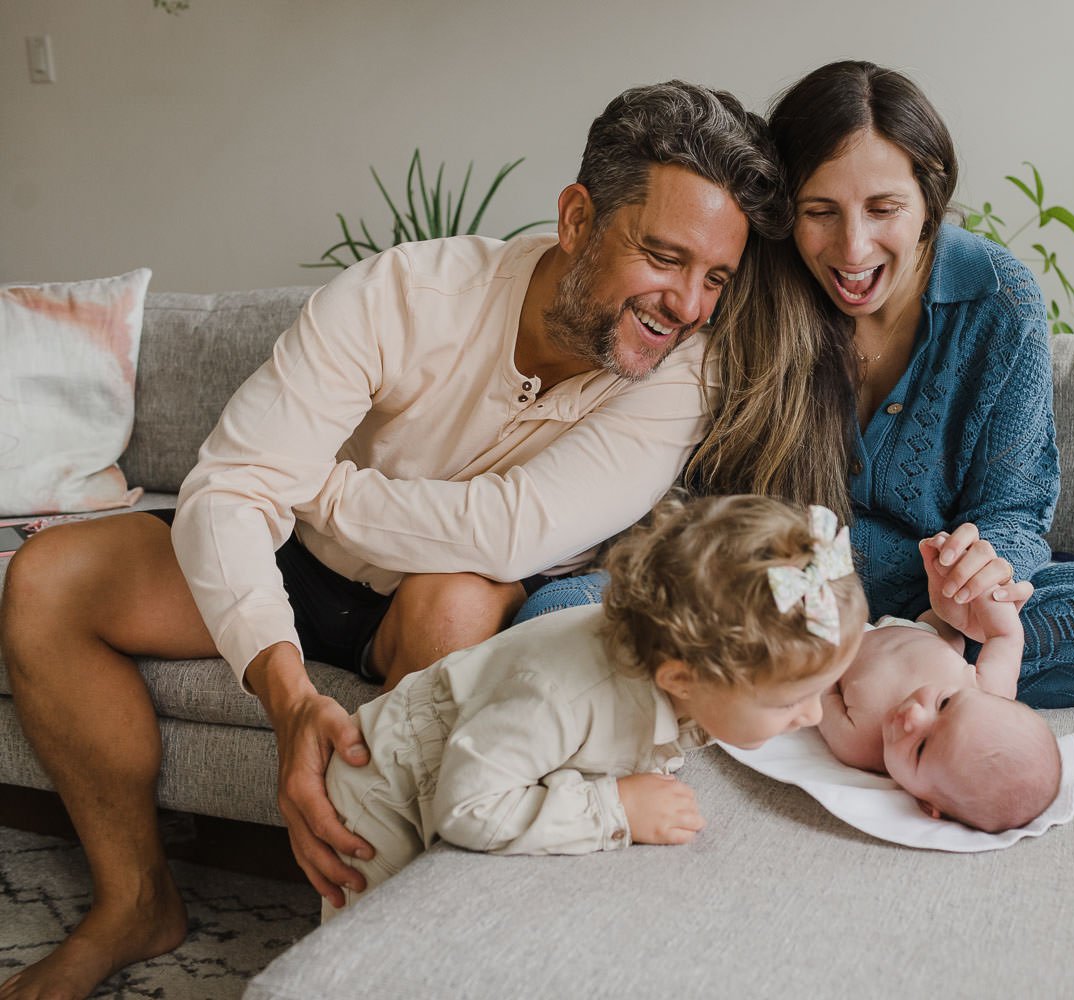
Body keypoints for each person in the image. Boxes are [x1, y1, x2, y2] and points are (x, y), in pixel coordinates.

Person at [0, 81, 784, 1000]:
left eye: (715, 277)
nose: (689, 303)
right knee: (50, 577)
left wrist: (314, 483)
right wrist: (287, 695)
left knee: (454, 597)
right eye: (663, 256)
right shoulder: (408, 292)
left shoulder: (686, 370)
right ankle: (135, 901)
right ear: (577, 218)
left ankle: (397, 956)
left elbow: (510, 529)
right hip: (302, 561)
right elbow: (236, 489)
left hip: (448, 591)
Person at [691, 59, 1074, 708]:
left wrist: (981, 569)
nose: (853, 247)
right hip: (780, 595)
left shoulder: (999, 300)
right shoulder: (757, 288)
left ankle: (841, 685)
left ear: (930, 201)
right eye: (821, 212)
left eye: (883, 209)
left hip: (933, 612)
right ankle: (875, 687)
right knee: (579, 604)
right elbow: (703, 487)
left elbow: (1012, 509)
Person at [323, 495, 865, 916]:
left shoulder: (672, 674)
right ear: (682, 676)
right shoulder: (560, 694)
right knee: (388, 947)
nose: (813, 716)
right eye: (792, 700)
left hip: (488, 751)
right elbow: (466, 809)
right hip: (385, 793)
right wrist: (616, 810)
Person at [819, 531, 1060, 833]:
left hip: (849, 639)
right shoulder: (989, 693)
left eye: (920, 750)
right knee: (947, 627)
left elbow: (819, 684)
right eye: (945, 703)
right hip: (929, 625)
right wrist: (977, 586)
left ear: (926, 804)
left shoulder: (856, 744)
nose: (914, 716)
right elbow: (1005, 636)